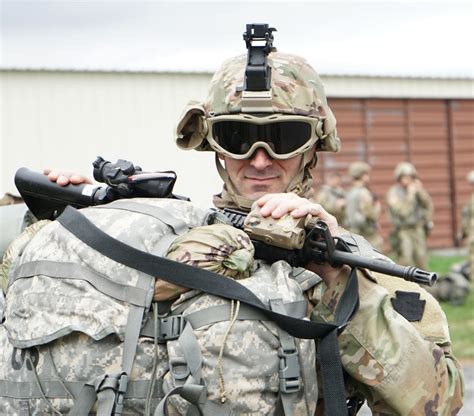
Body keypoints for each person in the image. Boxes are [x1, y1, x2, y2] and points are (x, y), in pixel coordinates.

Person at [42, 26, 463, 414]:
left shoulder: (353, 265)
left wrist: (339, 284)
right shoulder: (159, 233)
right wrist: (75, 224)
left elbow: (441, 402)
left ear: (313, 145)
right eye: (238, 138)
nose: (259, 160)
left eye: (282, 138)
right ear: (213, 144)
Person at [386, 162, 434, 270]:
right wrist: (410, 195)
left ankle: (424, 285)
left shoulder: (416, 190)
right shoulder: (393, 192)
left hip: (417, 229)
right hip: (403, 231)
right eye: (405, 176)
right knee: (405, 260)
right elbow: (402, 212)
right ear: (399, 177)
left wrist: (420, 192)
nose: (409, 179)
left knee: (421, 259)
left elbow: (428, 206)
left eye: (411, 177)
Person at [344, 161, 383, 251]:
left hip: (353, 233)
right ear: (363, 176)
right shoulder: (364, 193)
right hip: (367, 235)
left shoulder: (350, 192)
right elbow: (371, 215)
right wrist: (377, 206)